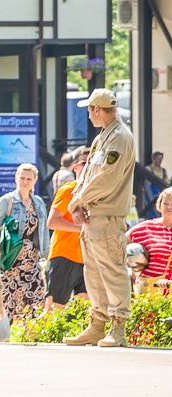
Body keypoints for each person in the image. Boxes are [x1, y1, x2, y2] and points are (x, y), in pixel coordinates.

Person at [64, 88, 136, 348]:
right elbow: (84, 176)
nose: (89, 113)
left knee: (112, 270)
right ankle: (97, 324)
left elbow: (105, 179)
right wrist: (77, 203)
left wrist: (76, 201)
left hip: (106, 214)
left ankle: (118, 327)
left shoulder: (119, 138)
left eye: (89, 109)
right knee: (92, 271)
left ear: (96, 110)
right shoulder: (101, 138)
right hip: (91, 214)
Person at [0, 163, 48, 323]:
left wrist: (46, 256)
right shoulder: (7, 201)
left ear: (35, 180)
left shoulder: (38, 202)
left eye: (28, 178)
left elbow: (43, 232)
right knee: (8, 300)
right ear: (16, 178)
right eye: (22, 178)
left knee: (37, 297)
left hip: (31, 258)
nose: (25, 182)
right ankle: (5, 337)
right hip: (11, 258)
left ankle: (31, 336)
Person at [43, 146, 91, 311]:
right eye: (85, 162)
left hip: (87, 259)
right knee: (53, 311)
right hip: (64, 256)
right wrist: (83, 230)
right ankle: (30, 337)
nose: (90, 166)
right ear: (75, 167)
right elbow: (52, 222)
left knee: (83, 312)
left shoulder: (97, 193)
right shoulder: (69, 189)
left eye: (93, 162)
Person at [127, 187, 172, 295]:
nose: (169, 207)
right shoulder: (146, 227)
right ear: (159, 206)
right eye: (165, 203)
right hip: (148, 292)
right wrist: (129, 269)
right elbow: (118, 244)